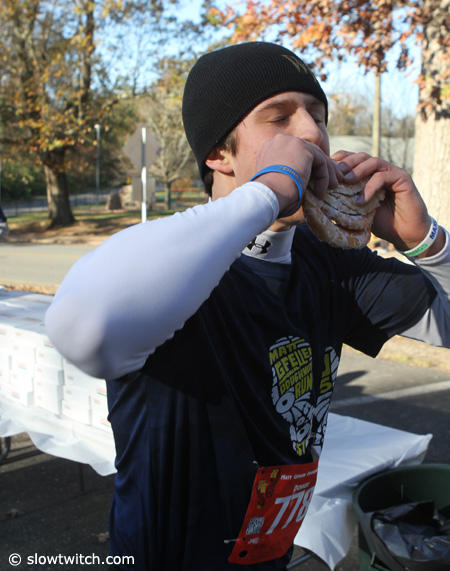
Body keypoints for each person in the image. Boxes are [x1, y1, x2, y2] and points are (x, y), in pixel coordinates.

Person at [45, 42, 450, 570]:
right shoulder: (173, 270)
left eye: (318, 115)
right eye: (279, 118)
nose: (312, 134)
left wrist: (427, 242)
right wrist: (270, 192)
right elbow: (84, 331)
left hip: (269, 555)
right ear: (219, 153)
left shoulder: (330, 263)